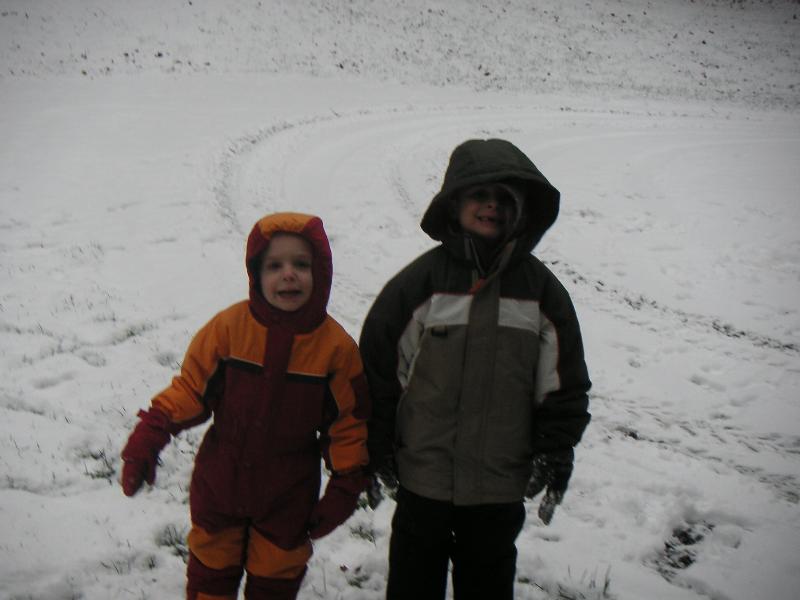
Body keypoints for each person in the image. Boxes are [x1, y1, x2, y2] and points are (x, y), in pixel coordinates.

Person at [360, 139, 592, 600]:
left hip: (498, 483)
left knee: (488, 583)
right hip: (423, 474)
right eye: (479, 194)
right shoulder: (420, 284)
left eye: (505, 198)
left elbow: (562, 382)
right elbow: (378, 370)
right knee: (412, 581)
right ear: (454, 203)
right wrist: (375, 443)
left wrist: (556, 447)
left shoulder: (541, 292)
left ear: (522, 211)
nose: (492, 206)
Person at [120, 212, 370, 600]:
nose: (289, 275)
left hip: (289, 494)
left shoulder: (335, 350)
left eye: (301, 264)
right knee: (211, 572)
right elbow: (191, 388)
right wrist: (151, 432)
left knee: (276, 576)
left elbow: (348, 424)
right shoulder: (229, 329)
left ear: (320, 271)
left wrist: (346, 485)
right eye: (274, 266)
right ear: (256, 272)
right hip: (220, 482)